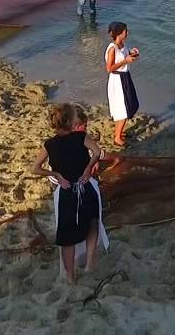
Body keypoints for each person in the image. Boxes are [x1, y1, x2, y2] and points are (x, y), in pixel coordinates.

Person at [31, 103, 107, 284]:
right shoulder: (82, 137)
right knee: (92, 223)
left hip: (67, 192)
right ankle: (89, 263)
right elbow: (98, 153)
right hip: (85, 187)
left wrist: (55, 174)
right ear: (70, 121)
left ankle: (71, 277)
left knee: (67, 238)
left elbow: (35, 169)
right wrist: (88, 169)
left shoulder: (49, 144)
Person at [104, 22, 140, 147]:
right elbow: (109, 68)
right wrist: (126, 60)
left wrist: (131, 54)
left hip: (125, 77)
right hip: (118, 80)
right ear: (119, 33)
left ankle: (119, 132)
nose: (127, 32)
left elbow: (124, 57)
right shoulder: (112, 49)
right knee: (123, 108)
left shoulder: (122, 45)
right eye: (125, 31)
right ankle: (117, 138)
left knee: (129, 104)